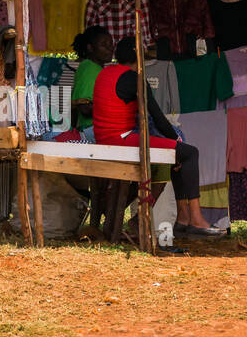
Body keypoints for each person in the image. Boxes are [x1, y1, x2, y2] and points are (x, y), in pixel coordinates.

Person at [93, 37, 223, 236]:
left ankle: (182, 217)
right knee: (189, 153)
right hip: (122, 139)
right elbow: (158, 118)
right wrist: (176, 141)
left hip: (105, 139)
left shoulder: (105, 73)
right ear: (140, 56)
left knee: (176, 155)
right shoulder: (133, 78)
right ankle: (195, 219)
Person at [69, 25, 113, 133]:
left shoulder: (89, 67)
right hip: (92, 130)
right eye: (103, 45)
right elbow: (85, 108)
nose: (110, 48)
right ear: (90, 48)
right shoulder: (91, 69)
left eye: (111, 44)